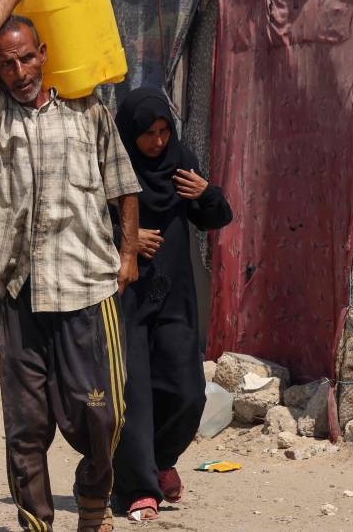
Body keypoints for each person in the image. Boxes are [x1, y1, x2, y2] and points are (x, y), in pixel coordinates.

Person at [0, 0, 141, 532]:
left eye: (27, 57)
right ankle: (37, 524)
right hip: (22, 289)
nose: (17, 70)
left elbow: (123, 185)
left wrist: (130, 255)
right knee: (25, 426)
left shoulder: (88, 109)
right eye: (9, 63)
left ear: (45, 54)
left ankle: (93, 502)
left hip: (87, 285)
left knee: (102, 415)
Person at [110, 88, 233, 522]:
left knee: (186, 392)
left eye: (164, 131)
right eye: (148, 134)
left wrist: (205, 192)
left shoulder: (182, 162)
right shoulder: (113, 164)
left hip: (175, 296)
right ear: (130, 133)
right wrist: (126, 237)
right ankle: (139, 489)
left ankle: (161, 462)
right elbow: (84, 218)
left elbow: (217, 217)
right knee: (134, 397)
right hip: (128, 296)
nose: (158, 142)